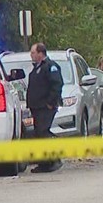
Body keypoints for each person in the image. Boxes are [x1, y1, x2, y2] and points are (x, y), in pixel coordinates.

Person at [26, 42, 64, 173]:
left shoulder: (50, 66)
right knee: (39, 134)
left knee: (43, 132)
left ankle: (55, 160)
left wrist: (50, 102)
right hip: (36, 107)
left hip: (46, 107)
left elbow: (57, 85)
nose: (31, 55)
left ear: (40, 53)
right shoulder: (37, 67)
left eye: (33, 52)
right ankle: (44, 164)